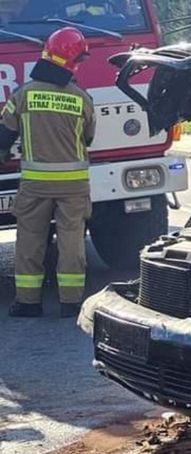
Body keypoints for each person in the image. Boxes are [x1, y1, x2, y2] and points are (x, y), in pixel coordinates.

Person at [0, 28, 96, 318]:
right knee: (72, 242)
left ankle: (28, 303)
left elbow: (5, 135)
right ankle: (71, 303)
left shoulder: (23, 94)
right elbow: (89, 138)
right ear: (73, 61)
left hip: (36, 184)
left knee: (30, 240)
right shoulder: (81, 98)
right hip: (74, 185)